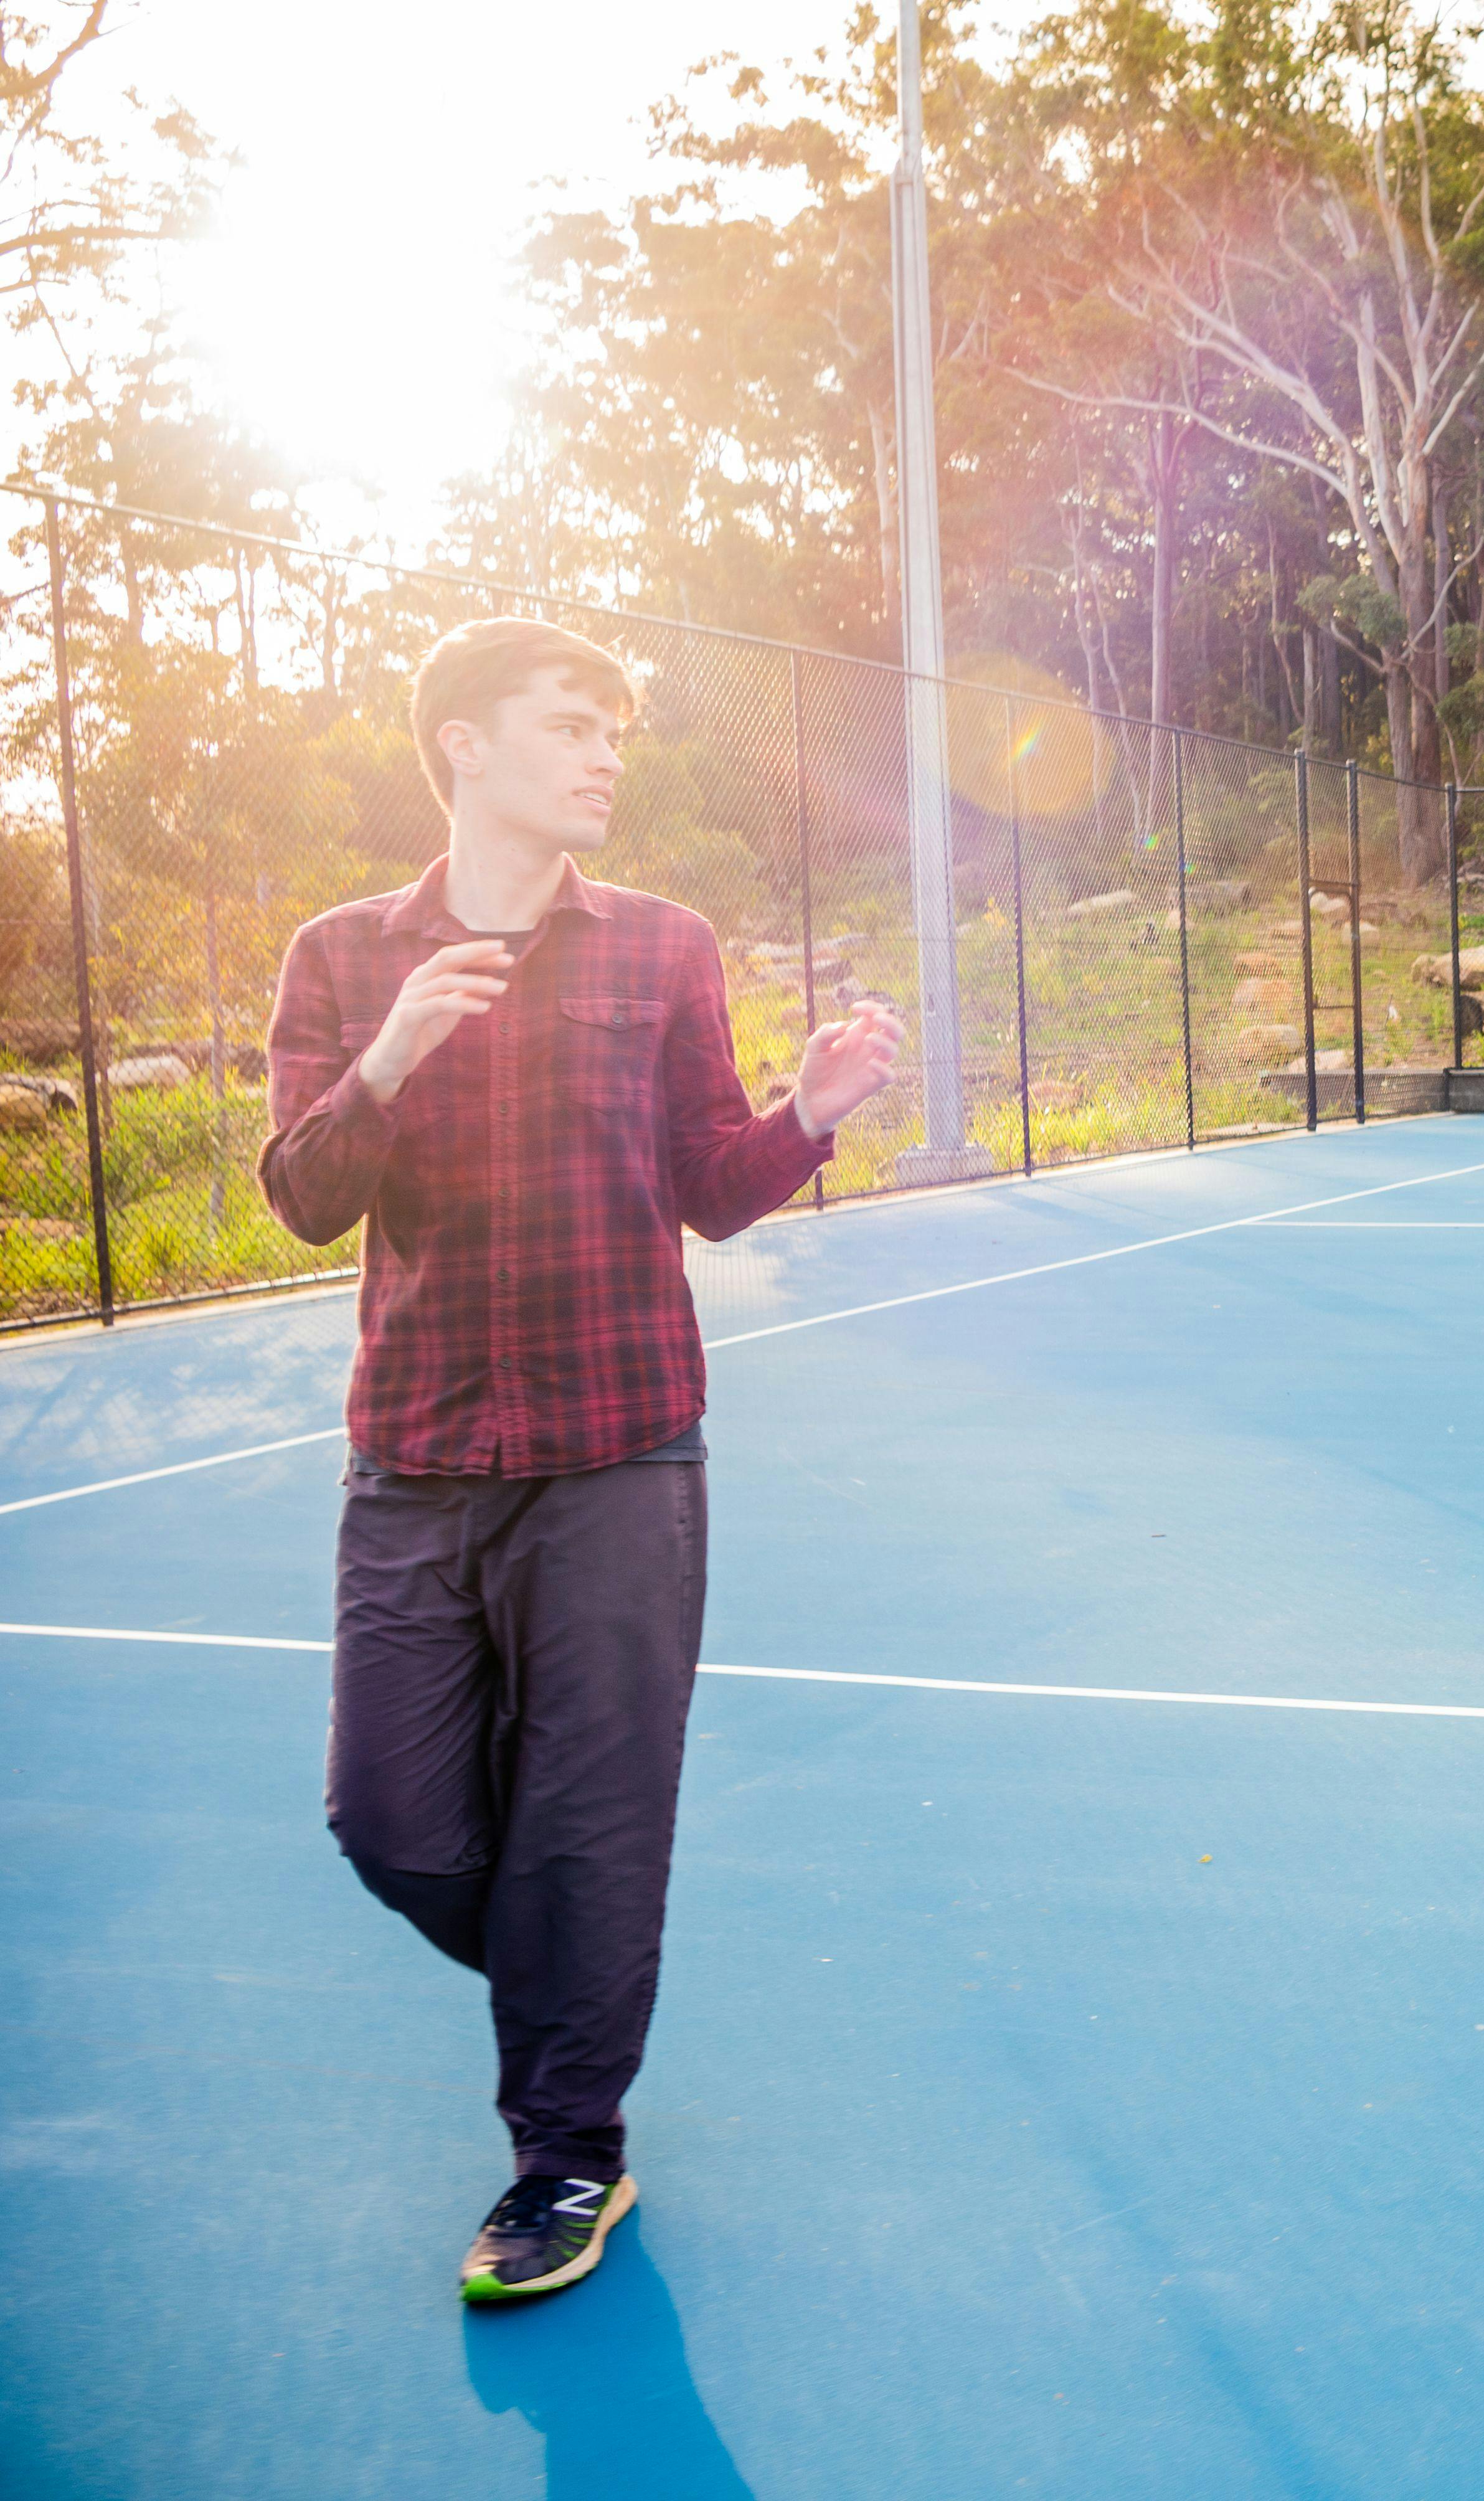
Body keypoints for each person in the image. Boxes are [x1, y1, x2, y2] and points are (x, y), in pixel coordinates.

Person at [260, 618, 906, 2299]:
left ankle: (569, 2157)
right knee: (391, 1823)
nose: (607, 753)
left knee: (591, 1825)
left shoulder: (665, 950)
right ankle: (574, 1973)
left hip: (624, 1459)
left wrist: (811, 1115)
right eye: (572, 724)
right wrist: (393, 1054)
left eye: (616, 727)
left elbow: (708, 1182)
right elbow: (306, 1196)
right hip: (411, 1465)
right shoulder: (340, 958)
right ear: (465, 745)